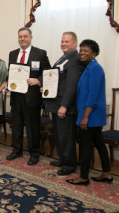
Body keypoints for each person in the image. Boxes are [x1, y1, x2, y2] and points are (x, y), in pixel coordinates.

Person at [66, 39, 112, 185]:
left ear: (94, 53)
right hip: (91, 115)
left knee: (85, 146)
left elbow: (93, 95)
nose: (82, 53)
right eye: (81, 50)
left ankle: (83, 176)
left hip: (91, 115)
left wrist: (85, 117)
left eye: (86, 50)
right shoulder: (89, 67)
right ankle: (106, 173)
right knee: (99, 143)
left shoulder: (95, 69)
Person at [6, 27, 51, 165]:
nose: (22, 39)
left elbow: (48, 73)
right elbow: (11, 73)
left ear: (31, 38)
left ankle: (34, 153)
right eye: (20, 36)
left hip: (32, 97)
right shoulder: (12, 54)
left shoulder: (40, 53)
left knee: (32, 127)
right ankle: (17, 150)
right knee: (17, 125)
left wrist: (38, 81)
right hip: (16, 96)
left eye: (25, 36)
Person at [44, 32, 85, 175]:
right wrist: (46, 88)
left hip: (65, 106)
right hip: (56, 103)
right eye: (62, 41)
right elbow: (56, 79)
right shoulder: (64, 58)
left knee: (66, 136)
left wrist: (64, 105)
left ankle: (69, 165)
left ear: (75, 43)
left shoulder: (75, 59)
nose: (63, 44)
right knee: (60, 135)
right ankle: (63, 159)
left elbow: (72, 86)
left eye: (67, 41)